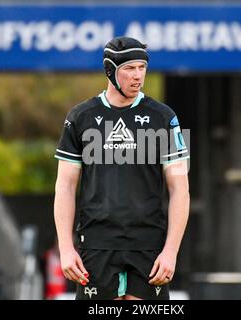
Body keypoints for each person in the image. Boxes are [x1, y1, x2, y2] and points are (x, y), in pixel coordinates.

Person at [53, 36, 190, 300]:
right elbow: (65, 185)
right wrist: (66, 247)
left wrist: (171, 251)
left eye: (142, 68)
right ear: (110, 70)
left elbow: (180, 188)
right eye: (129, 68)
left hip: (148, 245)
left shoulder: (164, 117)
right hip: (96, 245)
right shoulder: (80, 117)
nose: (138, 76)